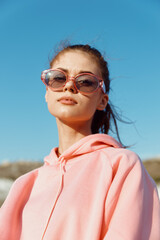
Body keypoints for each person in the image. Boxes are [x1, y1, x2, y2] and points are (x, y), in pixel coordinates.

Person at [0, 44, 160, 240]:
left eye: (86, 81)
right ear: (47, 92)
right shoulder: (24, 184)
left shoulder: (122, 166)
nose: (69, 86)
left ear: (102, 100)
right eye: (58, 78)